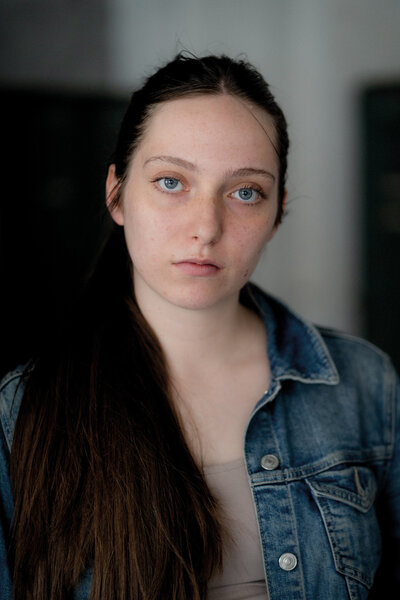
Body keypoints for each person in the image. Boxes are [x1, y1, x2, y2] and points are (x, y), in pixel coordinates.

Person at [0, 53, 399, 600]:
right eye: (171, 182)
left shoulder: (364, 384)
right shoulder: (21, 411)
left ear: (277, 213)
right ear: (116, 192)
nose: (206, 227)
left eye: (245, 192)